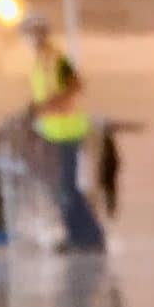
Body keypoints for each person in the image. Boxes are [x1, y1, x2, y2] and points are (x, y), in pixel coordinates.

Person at [25, 18, 108, 253]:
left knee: (66, 188)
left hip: (67, 131)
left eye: (35, 33)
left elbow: (75, 85)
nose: (32, 39)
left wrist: (51, 104)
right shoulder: (40, 63)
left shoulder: (55, 59)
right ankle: (77, 234)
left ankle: (90, 235)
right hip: (52, 132)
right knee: (60, 188)